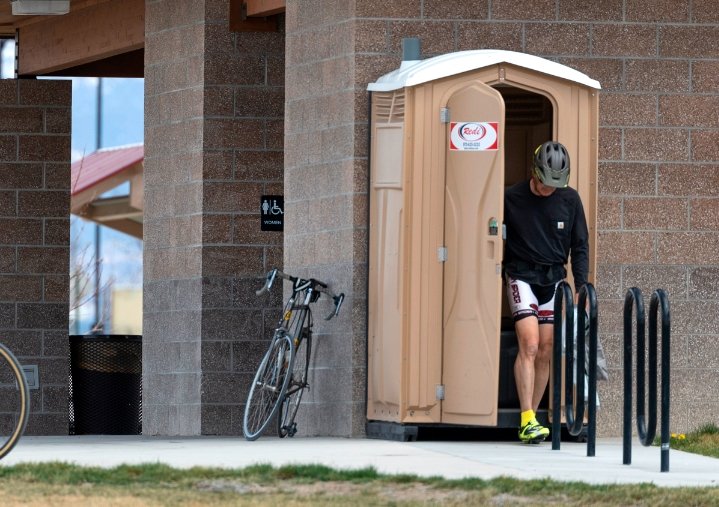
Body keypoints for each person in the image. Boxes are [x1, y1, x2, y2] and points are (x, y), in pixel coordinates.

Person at [503, 141, 589, 444]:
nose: (548, 190)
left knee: (546, 349)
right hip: (521, 275)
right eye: (544, 184)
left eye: (555, 185)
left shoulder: (570, 200)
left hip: (553, 279)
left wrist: (582, 287)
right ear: (534, 172)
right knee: (529, 343)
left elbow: (579, 246)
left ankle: (535, 418)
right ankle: (526, 418)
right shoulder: (512, 198)